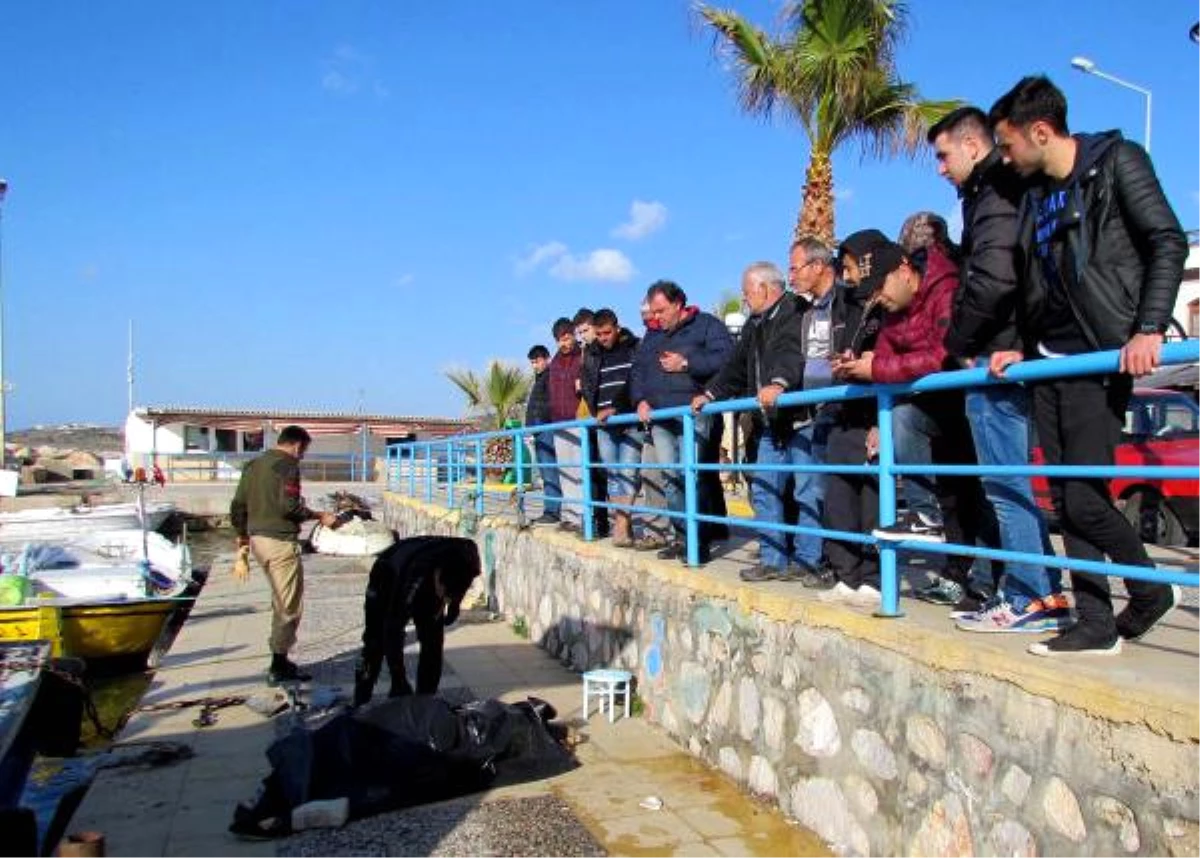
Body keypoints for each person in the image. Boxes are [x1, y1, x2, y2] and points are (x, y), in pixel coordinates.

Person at [987, 75, 1187, 656]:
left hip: (1100, 355)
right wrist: (1017, 345)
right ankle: (1096, 622)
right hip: (1047, 362)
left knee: (1081, 498)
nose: (1006, 156)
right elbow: (1035, 284)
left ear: (1041, 131)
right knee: (1069, 499)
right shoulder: (1036, 196)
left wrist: (1148, 326)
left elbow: (1167, 241)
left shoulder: (1118, 161)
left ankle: (1150, 590)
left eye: (1008, 144)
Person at [926, 106, 1066, 631]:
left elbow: (993, 277)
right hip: (1001, 350)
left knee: (1005, 484)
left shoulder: (993, 195)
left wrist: (958, 343)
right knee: (1007, 482)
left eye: (943, 156)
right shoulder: (990, 194)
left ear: (971, 145)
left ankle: (1031, 595)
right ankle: (1039, 591)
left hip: (997, 355)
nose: (941, 168)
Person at [694, 262, 808, 582]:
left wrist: (780, 382)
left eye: (747, 293)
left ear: (765, 288)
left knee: (806, 492)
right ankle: (773, 560)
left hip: (799, 418)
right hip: (768, 423)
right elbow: (736, 367)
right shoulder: (753, 324)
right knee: (764, 489)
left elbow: (792, 353)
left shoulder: (795, 310)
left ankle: (809, 560)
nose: (744, 300)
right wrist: (711, 394)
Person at [630, 280, 734, 564]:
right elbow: (638, 371)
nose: (656, 317)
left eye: (661, 311)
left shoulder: (707, 325)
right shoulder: (651, 335)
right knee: (671, 479)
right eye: (653, 312)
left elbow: (727, 359)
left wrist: (687, 363)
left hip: (694, 415)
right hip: (661, 417)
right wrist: (640, 399)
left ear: (678, 305)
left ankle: (697, 543)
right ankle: (682, 536)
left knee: (694, 477)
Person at [230, 425, 339, 685]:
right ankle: (279, 664)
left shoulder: (253, 465)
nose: (302, 456)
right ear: (297, 445)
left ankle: (279, 658)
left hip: (257, 541)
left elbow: (237, 507)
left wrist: (243, 542)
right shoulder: (287, 466)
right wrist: (320, 516)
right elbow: (289, 506)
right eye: (304, 450)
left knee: (279, 598)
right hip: (279, 542)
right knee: (288, 606)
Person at [816, 231, 888, 606]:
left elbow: (889, 358)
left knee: (872, 501)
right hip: (843, 410)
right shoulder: (849, 303)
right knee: (839, 499)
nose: (845, 275)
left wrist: (880, 419)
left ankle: (875, 578)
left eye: (848, 267)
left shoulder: (886, 302)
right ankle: (848, 574)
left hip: (874, 411)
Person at [352, 536, 482, 705]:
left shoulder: (468, 557)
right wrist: (398, 677)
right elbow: (393, 630)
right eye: (443, 594)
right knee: (375, 641)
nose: (443, 600)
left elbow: (460, 582)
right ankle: (361, 699)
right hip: (388, 573)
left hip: (431, 573)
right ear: (437, 575)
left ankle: (426, 699)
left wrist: (454, 604)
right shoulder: (414, 577)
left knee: (433, 642)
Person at [580, 308, 642, 546]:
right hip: (604, 424)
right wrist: (596, 412)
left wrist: (619, 407)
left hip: (629, 419)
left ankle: (621, 525)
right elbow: (587, 384)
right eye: (600, 334)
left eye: (607, 332)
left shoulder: (633, 347)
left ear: (617, 327)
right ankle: (622, 524)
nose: (604, 338)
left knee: (628, 472)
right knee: (612, 473)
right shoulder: (592, 353)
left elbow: (637, 380)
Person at [547, 317, 585, 530]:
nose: (564, 343)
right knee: (565, 470)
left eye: (567, 337)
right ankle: (570, 515)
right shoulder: (554, 363)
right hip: (558, 422)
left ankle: (582, 515)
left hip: (577, 421)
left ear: (573, 335)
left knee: (580, 468)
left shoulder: (583, 357)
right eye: (559, 339)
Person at [525, 345, 561, 525]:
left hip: (546, 427)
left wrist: (541, 421)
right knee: (546, 470)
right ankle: (552, 509)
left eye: (537, 361)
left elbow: (551, 403)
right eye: (532, 362)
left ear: (547, 358)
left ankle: (553, 511)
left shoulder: (551, 376)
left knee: (549, 470)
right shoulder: (540, 378)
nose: (534, 365)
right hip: (538, 429)